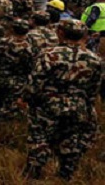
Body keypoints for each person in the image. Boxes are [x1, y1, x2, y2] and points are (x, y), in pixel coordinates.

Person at [23, 19, 103, 180]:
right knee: (71, 143)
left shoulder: (49, 55)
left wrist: (28, 100)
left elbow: (35, 83)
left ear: (60, 33)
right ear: (84, 36)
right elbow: (94, 89)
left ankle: (33, 175)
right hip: (78, 107)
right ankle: (65, 176)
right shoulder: (95, 60)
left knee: (40, 139)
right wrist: (86, 105)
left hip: (48, 106)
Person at [0, 18, 32, 121]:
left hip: (0, 78)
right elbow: (30, 68)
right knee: (10, 107)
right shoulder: (29, 48)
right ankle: (4, 127)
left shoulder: (1, 42)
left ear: (12, 29)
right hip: (17, 83)